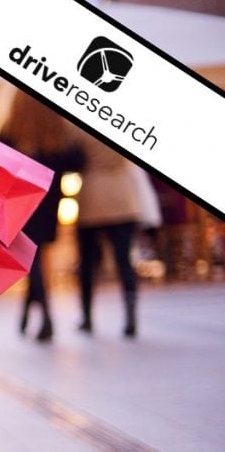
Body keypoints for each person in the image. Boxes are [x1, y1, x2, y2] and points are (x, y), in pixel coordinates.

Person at [0, 91, 83, 341]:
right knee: (36, 257)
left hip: (20, 201)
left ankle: (45, 316)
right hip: (49, 201)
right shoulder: (57, 133)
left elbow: (0, 161)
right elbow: (76, 162)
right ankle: (29, 314)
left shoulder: (11, 130)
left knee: (30, 258)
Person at [74, 133, 142, 338]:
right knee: (124, 261)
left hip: (92, 196)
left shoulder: (76, 128)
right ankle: (131, 314)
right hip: (122, 195)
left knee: (88, 263)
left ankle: (87, 316)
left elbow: (73, 158)